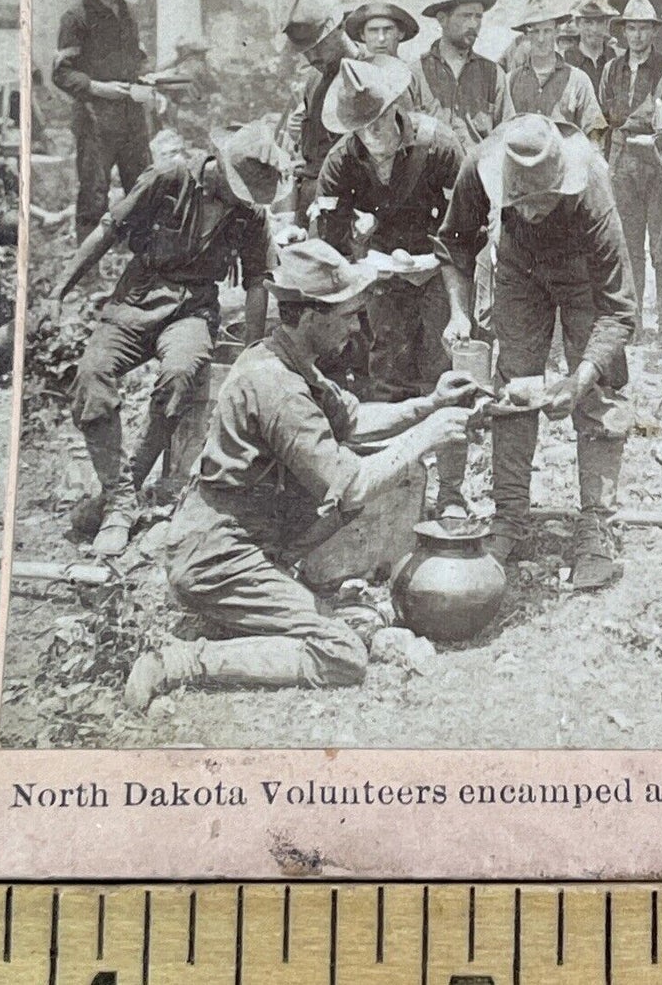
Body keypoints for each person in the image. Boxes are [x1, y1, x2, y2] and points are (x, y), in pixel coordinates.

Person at [123, 239, 477, 710]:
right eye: (349, 315)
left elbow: (353, 421)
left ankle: (262, 596)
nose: (357, 327)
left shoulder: (285, 358)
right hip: (219, 555)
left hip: (244, 541)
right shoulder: (278, 387)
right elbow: (351, 484)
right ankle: (179, 662)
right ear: (311, 318)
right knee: (342, 654)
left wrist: (431, 404)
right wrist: (426, 436)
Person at [50, 120, 288, 556]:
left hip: (193, 309)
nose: (242, 199)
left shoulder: (249, 213)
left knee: (179, 374)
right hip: (137, 296)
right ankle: (120, 499)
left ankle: (119, 500)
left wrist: (252, 349)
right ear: (220, 165)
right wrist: (59, 288)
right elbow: (107, 229)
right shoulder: (169, 177)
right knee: (91, 376)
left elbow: (258, 281)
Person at [438, 114, 636, 590]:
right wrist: (459, 313)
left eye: (539, 202)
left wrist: (581, 377)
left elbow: (620, 309)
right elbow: (455, 245)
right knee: (515, 383)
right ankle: (510, 516)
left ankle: (596, 523)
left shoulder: (593, 185)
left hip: (583, 273)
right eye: (517, 202)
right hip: (520, 268)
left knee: (598, 392)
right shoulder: (482, 165)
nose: (527, 210)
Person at [314, 57, 469, 508]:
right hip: (383, 273)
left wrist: (453, 296)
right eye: (363, 126)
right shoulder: (341, 161)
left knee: (446, 373)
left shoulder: (439, 145)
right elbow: (330, 239)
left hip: (442, 267)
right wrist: (363, 264)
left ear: (396, 107)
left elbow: (466, 228)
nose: (375, 133)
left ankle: (452, 491)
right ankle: (398, 487)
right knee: (387, 375)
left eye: (381, 118)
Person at [52, 0, 156, 242]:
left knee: (143, 191)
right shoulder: (77, 17)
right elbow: (61, 72)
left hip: (132, 120)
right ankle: (87, 275)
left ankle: (143, 266)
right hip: (95, 122)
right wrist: (99, 88)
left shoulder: (129, 14)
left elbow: (137, 58)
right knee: (94, 199)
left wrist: (147, 78)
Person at [598, 0, 662, 347]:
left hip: (657, 160)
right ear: (623, 32)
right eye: (631, 28)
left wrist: (640, 126)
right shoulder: (611, 69)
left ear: (654, 32)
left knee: (661, 245)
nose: (637, 36)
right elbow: (602, 117)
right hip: (621, 161)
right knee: (629, 246)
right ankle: (634, 322)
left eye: (644, 28)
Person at [282, 0, 364, 224]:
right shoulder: (314, 79)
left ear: (340, 28)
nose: (312, 57)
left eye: (318, 46)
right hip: (312, 201)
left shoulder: (370, 75)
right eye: (305, 50)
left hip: (355, 206)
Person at [410, 0, 513, 152]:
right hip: (431, 177)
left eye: (478, 17)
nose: (473, 24)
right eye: (466, 16)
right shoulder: (416, 74)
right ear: (442, 19)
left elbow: (508, 134)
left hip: (478, 175)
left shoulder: (494, 74)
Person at [505, 0, 608, 141]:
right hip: (522, 159)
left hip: (565, 160)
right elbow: (502, 130)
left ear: (556, 32)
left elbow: (594, 130)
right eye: (535, 32)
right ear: (527, 35)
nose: (541, 39)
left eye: (547, 31)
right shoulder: (511, 81)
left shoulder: (578, 80)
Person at [561, 0, 621, 95]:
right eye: (588, 22)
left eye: (600, 22)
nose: (594, 29)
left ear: (607, 24)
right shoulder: (565, 60)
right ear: (578, 24)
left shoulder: (616, 59)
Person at [345, 0, 420, 66]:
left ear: (401, 33)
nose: (381, 39)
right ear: (362, 35)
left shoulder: (414, 73)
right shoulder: (352, 72)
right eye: (373, 31)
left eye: (388, 30)